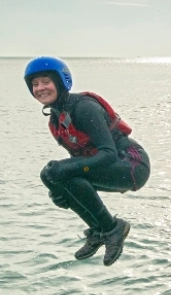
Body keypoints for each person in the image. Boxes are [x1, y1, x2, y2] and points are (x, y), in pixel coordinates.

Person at [24, 56, 150, 265]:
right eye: (35, 84)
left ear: (61, 81)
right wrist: (60, 192)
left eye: (46, 81)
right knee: (51, 175)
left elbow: (108, 153)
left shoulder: (83, 108)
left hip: (132, 164)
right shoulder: (56, 119)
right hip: (111, 165)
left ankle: (113, 228)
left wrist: (63, 176)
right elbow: (79, 163)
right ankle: (100, 231)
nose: (40, 88)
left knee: (57, 171)